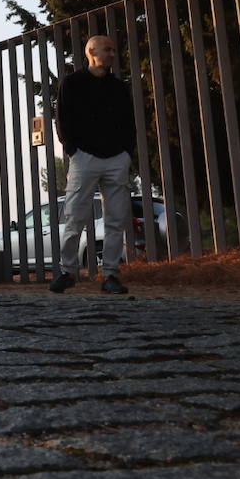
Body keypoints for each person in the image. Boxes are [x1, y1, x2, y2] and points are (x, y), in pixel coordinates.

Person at [51, 34, 136, 295]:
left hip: (116, 159)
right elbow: (62, 119)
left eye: (113, 49)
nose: (112, 53)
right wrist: (72, 150)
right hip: (84, 158)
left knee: (116, 219)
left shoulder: (120, 87)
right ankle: (67, 272)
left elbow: (129, 122)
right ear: (92, 52)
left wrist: (126, 153)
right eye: (107, 49)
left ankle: (110, 275)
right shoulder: (72, 83)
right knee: (74, 216)